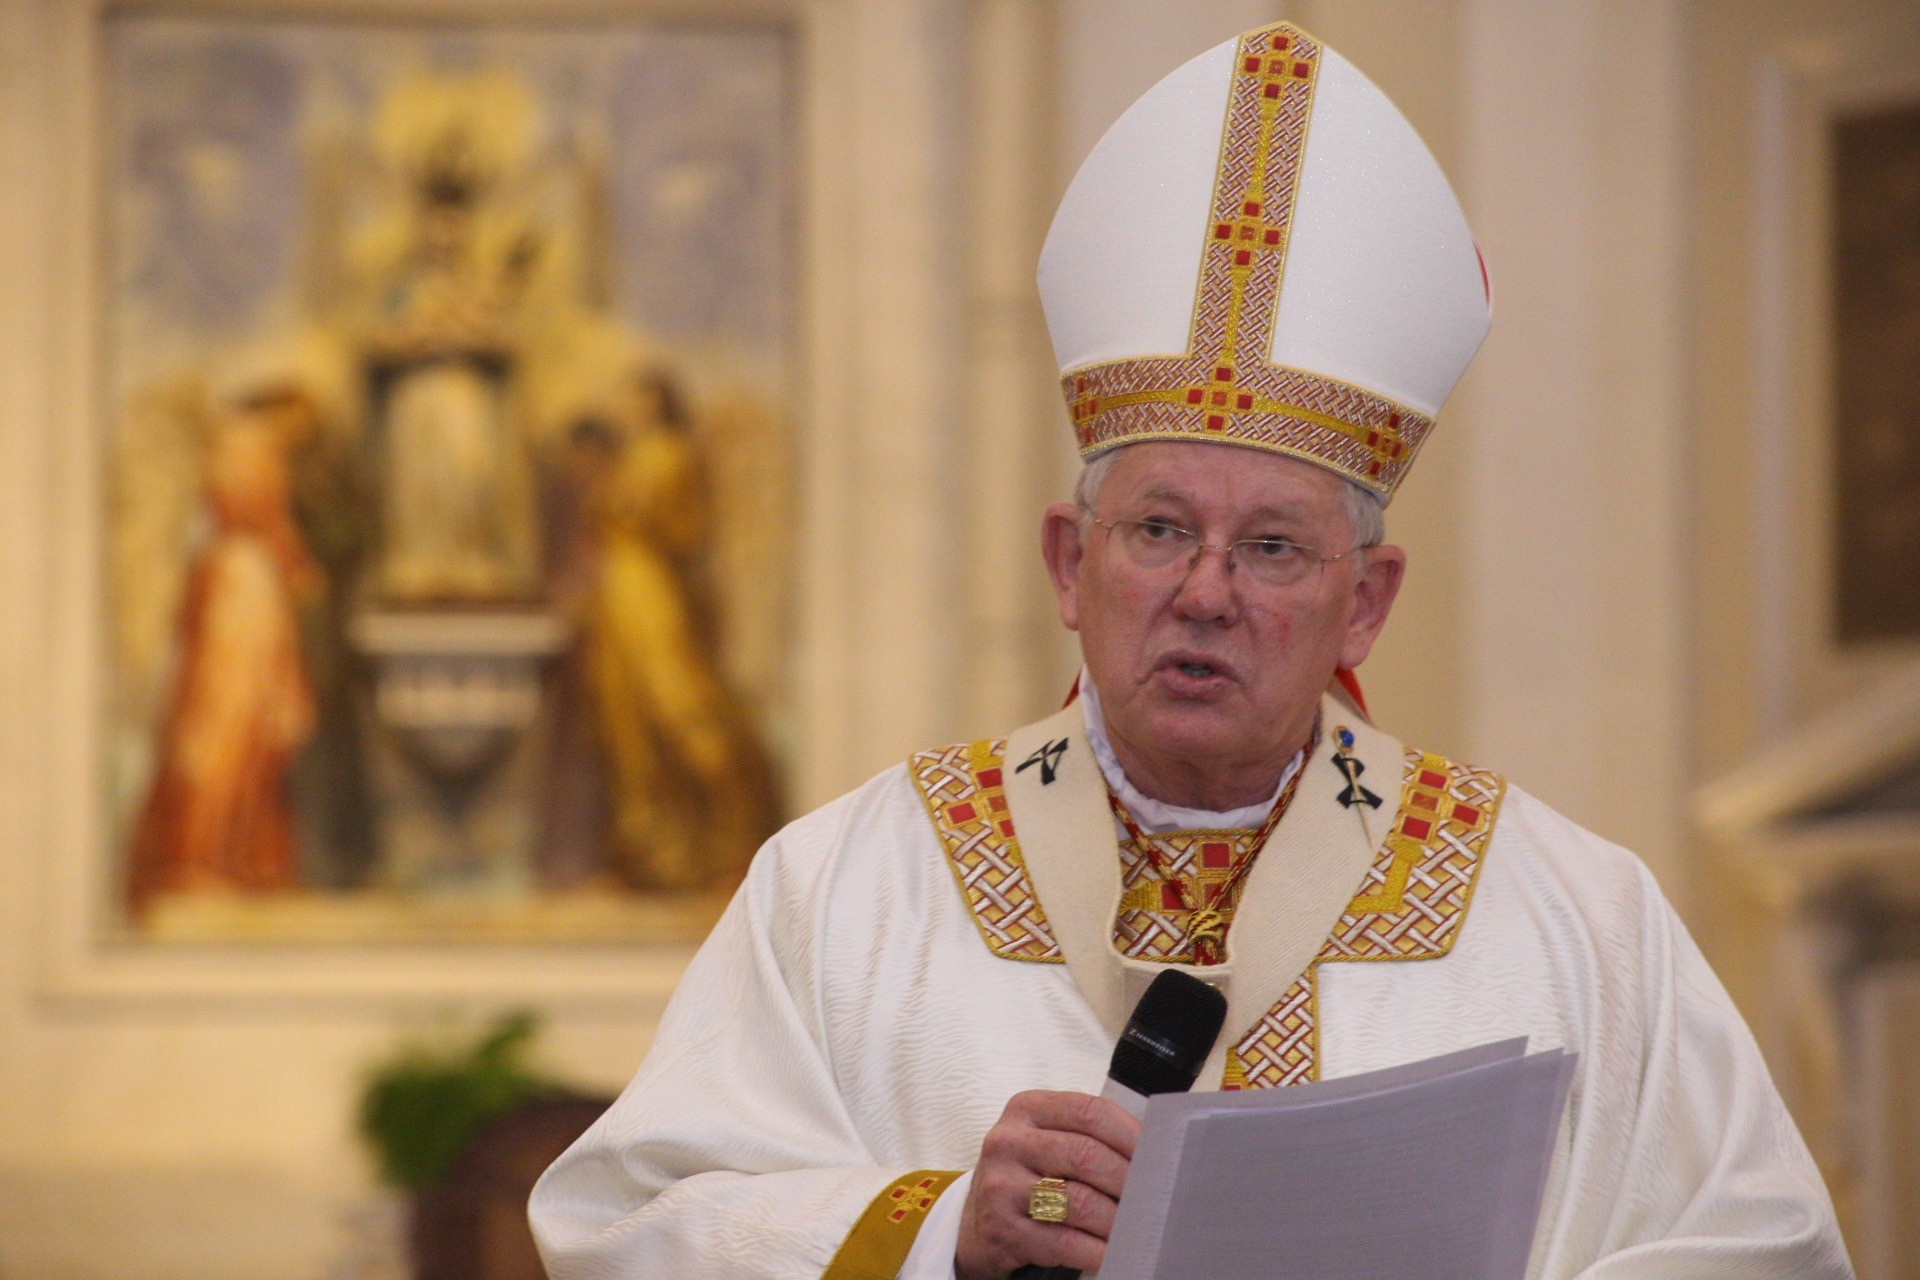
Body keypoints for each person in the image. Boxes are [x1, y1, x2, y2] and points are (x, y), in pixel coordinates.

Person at [529, 22, 1851, 1280]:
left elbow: (1761, 1246)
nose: (1207, 592)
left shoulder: (1574, 922)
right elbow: (624, 1226)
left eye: (1273, 547)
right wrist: (937, 1232)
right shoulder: (852, 892)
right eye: (1158, 529)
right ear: (1069, 563)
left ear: (1369, 601)